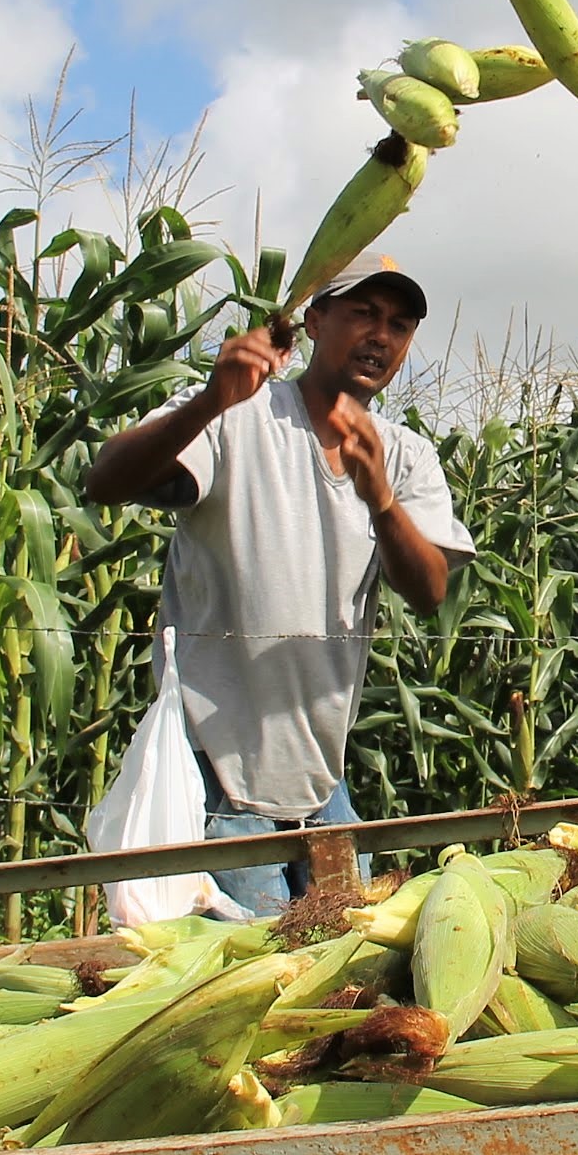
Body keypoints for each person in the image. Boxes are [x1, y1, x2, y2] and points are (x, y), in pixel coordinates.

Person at [82, 256, 475, 916]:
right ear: (314, 322)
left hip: (322, 781)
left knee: (348, 971)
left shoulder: (403, 455)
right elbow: (106, 482)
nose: (381, 336)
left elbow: (430, 588)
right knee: (263, 986)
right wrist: (210, 399)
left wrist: (379, 495)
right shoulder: (240, 413)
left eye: (399, 325)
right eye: (363, 314)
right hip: (220, 776)